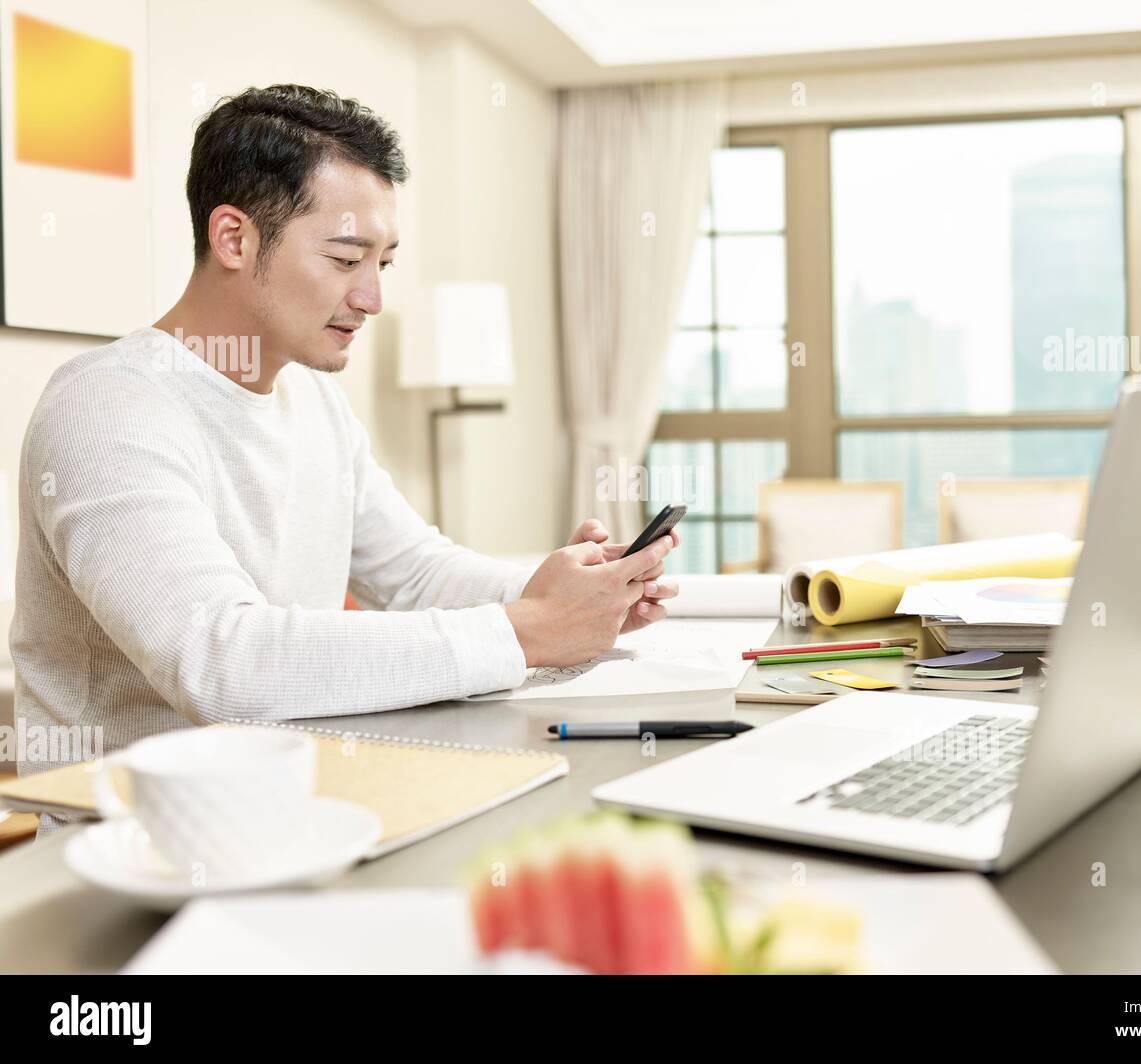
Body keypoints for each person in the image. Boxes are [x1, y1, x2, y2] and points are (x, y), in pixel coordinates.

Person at [9, 85, 678, 833]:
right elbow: (223, 663)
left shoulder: (314, 404)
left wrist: (566, 593)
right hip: (134, 852)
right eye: (346, 258)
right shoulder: (108, 408)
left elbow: (415, 573)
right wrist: (527, 628)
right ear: (234, 239)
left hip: (297, 814)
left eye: (384, 262)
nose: (372, 297)